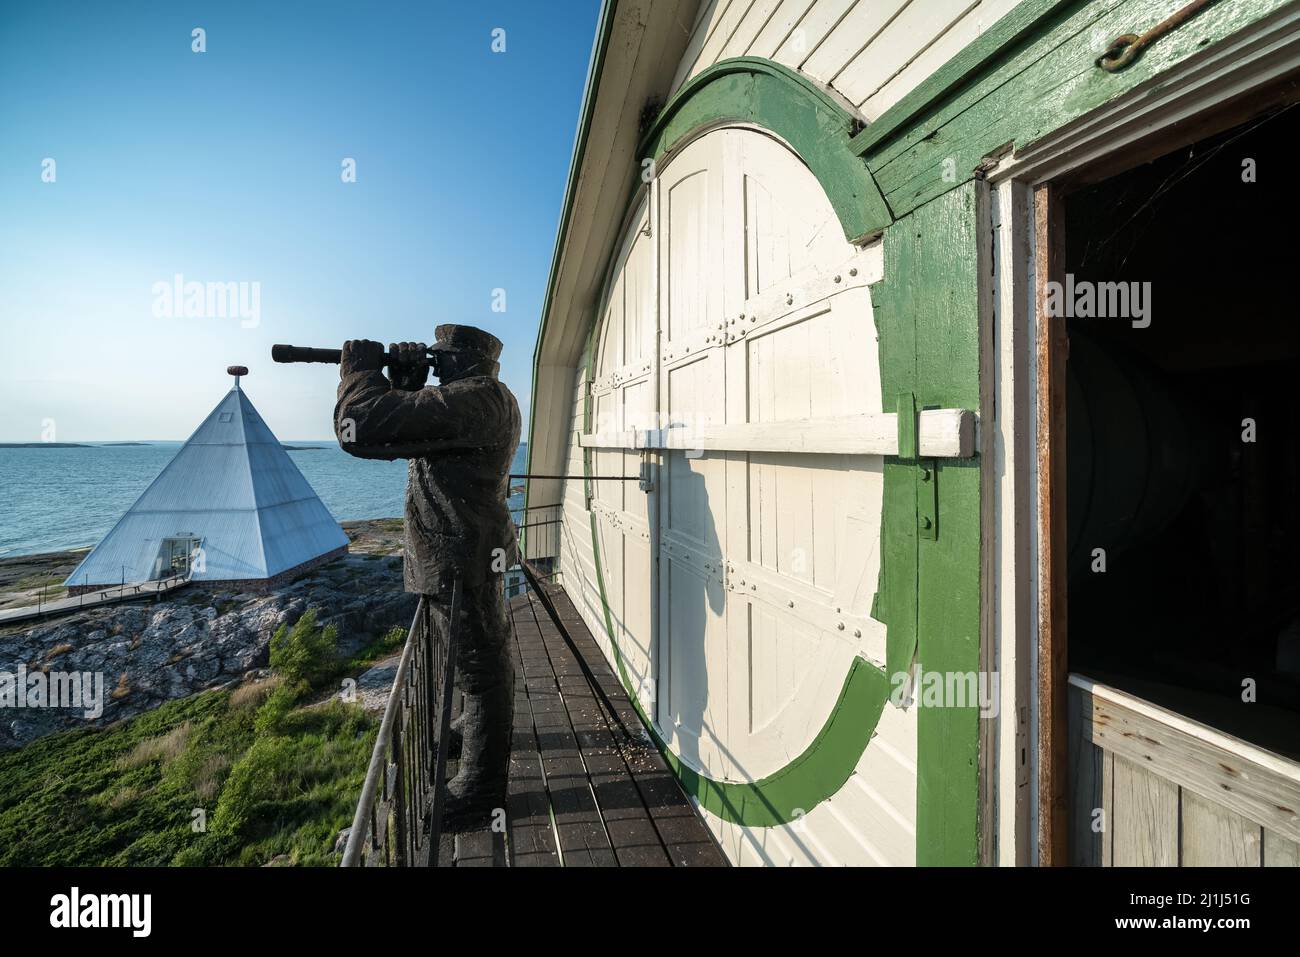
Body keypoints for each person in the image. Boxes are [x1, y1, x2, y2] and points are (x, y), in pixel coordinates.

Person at [334, 326, 521, 828]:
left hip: (463, 559)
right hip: (463, 555)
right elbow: (410, 431)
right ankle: (476, 733)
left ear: (463, 361)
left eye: (440, 359)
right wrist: (409, 385)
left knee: (482, 672)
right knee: (477, 662)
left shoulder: (479, 398)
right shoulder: (476, 399)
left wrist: (362, 370)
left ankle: (482, 791)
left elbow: (361, 426)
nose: (437, 366)